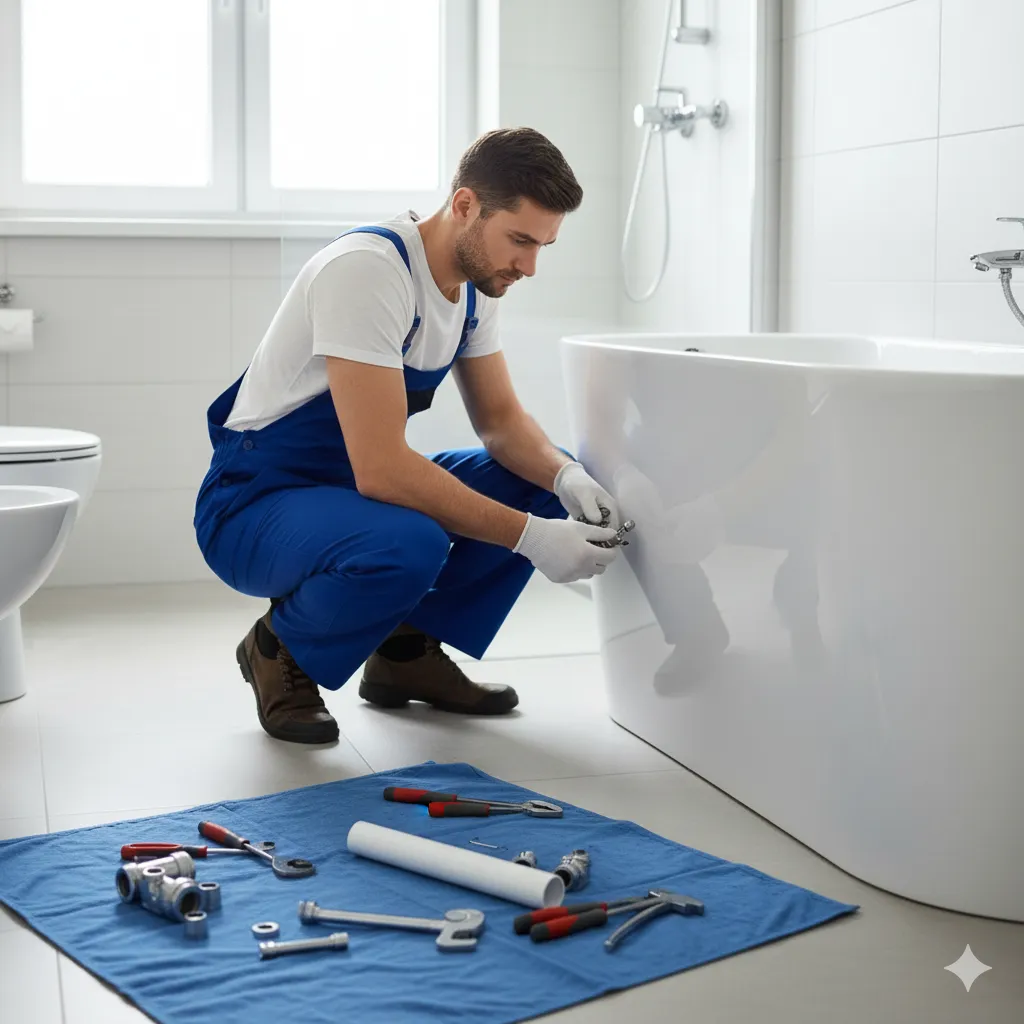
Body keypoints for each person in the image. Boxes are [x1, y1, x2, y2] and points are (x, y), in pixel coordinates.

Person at [194, 127, 623, 744]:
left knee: (530, 479)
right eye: (521, 241)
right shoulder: (369, 271)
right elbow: (382, 470)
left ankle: (403, 655)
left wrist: (567, 476)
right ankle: (276, 648)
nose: (529, 266)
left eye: (543, 246)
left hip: (347, 495)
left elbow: (501, 424)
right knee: (411, 542)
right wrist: (534, 541)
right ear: (466, 205)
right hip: (254, 505)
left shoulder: (478, 286)